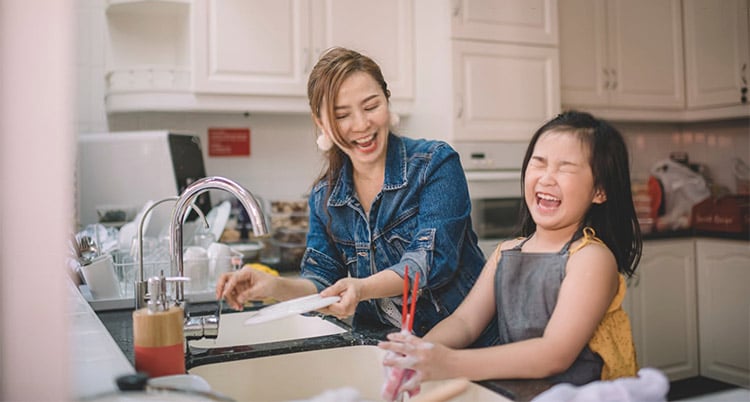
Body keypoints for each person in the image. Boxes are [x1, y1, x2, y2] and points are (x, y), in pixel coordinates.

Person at [216, 47, 494, 342]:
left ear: (387, 100)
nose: (361, 125)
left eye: (371, 106)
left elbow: (429, 261)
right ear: (321, 123)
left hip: (465, 346)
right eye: (342, 115)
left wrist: (361, 288)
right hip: (385, 352)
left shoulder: (435, 163)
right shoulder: (325, 196)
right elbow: (321, 281)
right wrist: (275, 286)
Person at [378, 111, 643, 393]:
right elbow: (464, 322)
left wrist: (450, 362)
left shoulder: (591, 258)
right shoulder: (506, 252)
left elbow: (554, 354)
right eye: (538, 163)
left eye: (565, 168)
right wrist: (420, 351)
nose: (546, 178)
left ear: (599, 190)